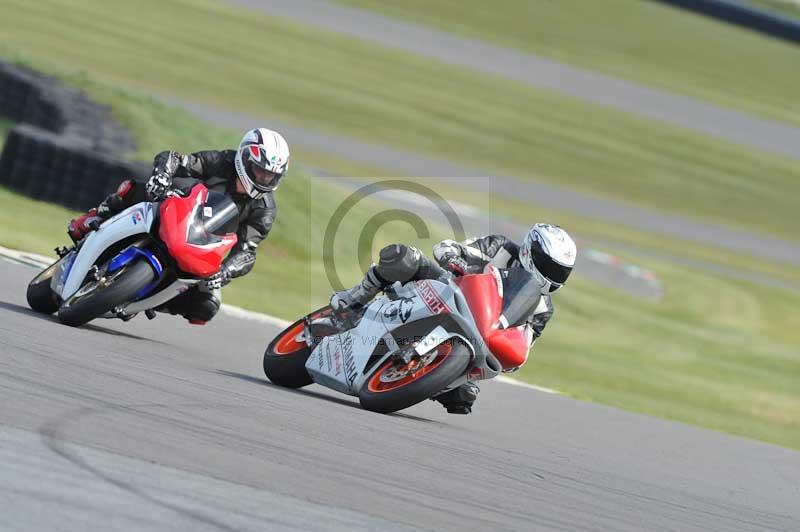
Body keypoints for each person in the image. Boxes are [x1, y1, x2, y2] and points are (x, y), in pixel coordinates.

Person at [330, 223, 577, 414]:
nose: (552, 276)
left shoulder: (543, 309)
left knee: (465, 396)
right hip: (446, 291)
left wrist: (513, 353)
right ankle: (354, 299)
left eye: (560, 272)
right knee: (404, 257)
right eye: (548, 265)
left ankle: (423, 375)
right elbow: (449, 248)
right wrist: (453, 258)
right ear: (529, 250)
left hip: (476, 338)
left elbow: (522, 349)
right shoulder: (500, 248)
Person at [66, 128, 290, 324]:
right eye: (260, 170)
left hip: (200, 245)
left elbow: (247, 252)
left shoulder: (264, 209)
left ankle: (150, 299)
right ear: (244, 159)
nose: (264, 178)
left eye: (271, 175)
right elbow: (175, 159)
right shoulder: (222, 162)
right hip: (175, 211)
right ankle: (97, 216)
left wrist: (224, 272)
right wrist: (162, 176)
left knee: (207, 306)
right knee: (137, 189)